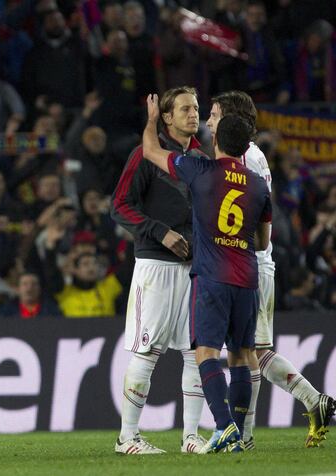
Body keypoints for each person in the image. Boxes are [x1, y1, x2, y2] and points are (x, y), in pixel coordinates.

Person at [142, 94, 272, 453]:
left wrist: (153, 119)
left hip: (212, 277)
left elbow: (151, 152)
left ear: (216, 140)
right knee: (243, 355)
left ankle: (223, 425)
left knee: (206, 354)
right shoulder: (259, 185)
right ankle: (240, 434)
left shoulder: (200, 171)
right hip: (247, 279)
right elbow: (262, 242)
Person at [207, 91, 335, 449]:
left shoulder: (244, 157)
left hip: (250, 263)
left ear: (231, 118)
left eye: (214, 115)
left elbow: (248, 214)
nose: (209, 121)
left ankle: (251, 434)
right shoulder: (252, 155)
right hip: (251, 262)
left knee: (253, 353)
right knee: (253, 352)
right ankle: (309, 405)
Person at [110, 86, 207, 454]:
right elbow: (119, 205)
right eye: (184, 109)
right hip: (155, 266)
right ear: (166, 117)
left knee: (196, 351)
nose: (193, 114)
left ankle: (191, 437)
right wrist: (159, 232)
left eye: (195, 108)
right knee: (146, 352)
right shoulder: (145, 155)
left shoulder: (200, 158)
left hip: (193, 269)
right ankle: (128, 437)